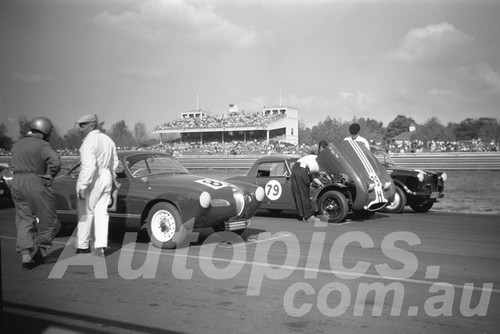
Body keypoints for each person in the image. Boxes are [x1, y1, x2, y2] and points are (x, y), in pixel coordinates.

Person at [10, 117, 61, 269]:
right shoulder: (42, 145)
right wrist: (51, 174)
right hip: (35, 180)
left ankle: (25, 255)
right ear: (45, 130)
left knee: (24, 218)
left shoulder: (17, 145)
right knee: (49, 218)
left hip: (17, 182)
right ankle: (42, 250)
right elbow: (55, 161)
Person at [75, 114, 118, 257]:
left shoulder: (88, 142)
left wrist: (82, 184)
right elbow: (114, 162)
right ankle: (100, 246)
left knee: (86, 212)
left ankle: (83, 245)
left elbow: (89, 166)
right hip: (106, 175)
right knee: (101, 213)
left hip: (94, 177)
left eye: (83, 125)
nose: (80, 129)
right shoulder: (108, 140)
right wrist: (112, 177)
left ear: (92, 125)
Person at [291, 146, 322, 223]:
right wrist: (322, 184)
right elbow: (315, 177)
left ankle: (303, 215)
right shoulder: (321, 163)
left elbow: (313, 175)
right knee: (305, 193)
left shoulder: (312, 158)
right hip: (303, 169)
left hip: (295, 167)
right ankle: (309, 216)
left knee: (298, 193)